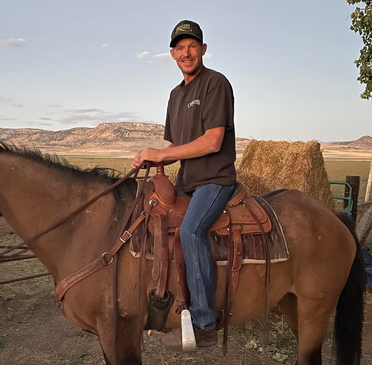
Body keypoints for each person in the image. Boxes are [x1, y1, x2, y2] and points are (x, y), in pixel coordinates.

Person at [132, 19, 236, 350]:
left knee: (192, 232)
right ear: (173, 54)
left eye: (192, 46)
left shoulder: (215, 84)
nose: (186, 52)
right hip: (187, 181)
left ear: (203, 50)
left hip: (215, 180)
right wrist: (154, 159)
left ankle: (204, 324)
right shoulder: (175, 96)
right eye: (180, 47)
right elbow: (176, 150)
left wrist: (163, 152)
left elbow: (212, 142)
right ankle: (165, 301)